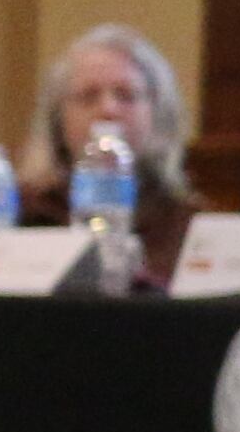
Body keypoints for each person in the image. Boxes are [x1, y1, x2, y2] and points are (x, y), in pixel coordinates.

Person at [22, 23, 195, 285]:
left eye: (126, 96)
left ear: (158, 114)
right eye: (88, 97)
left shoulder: (188, 222)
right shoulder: (23, 213)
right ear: (58, 119)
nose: (108, 110)